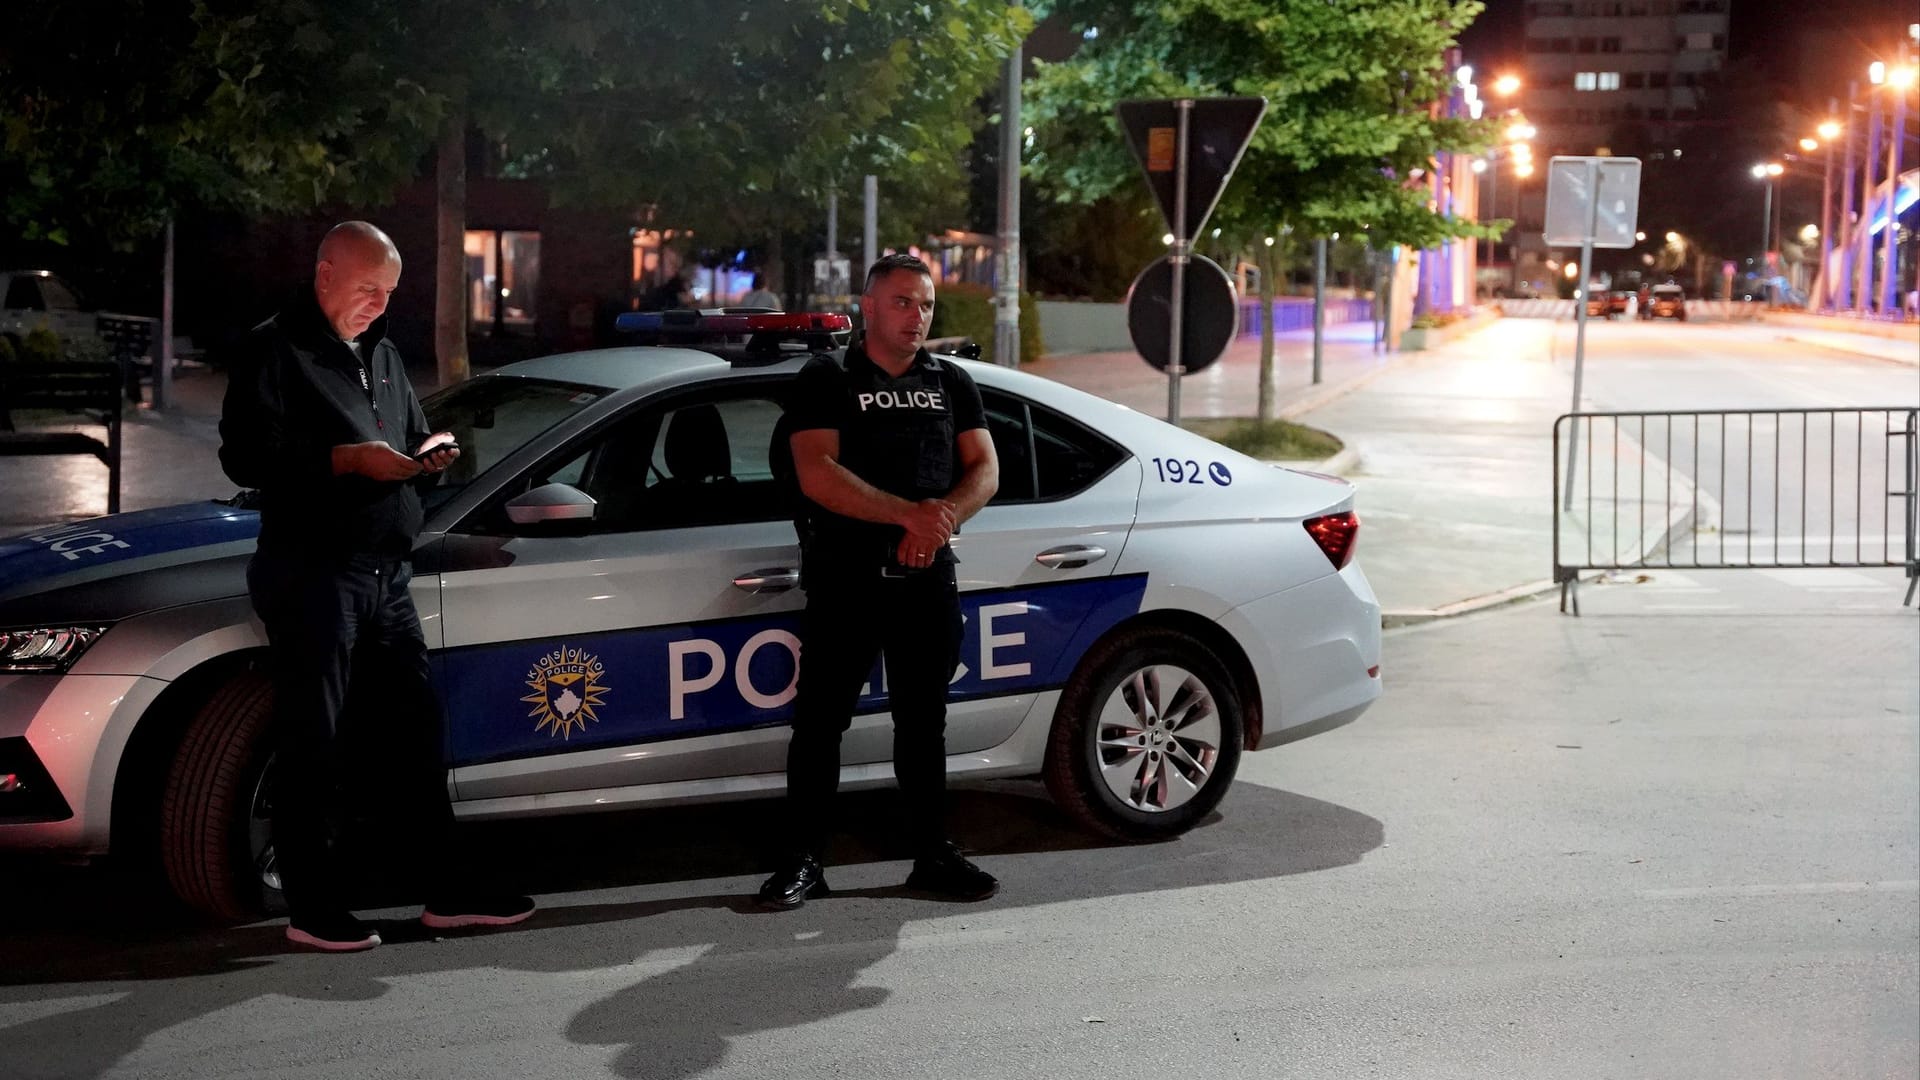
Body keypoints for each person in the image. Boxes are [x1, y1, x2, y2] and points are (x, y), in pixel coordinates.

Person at [219, 221, 534, 951]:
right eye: (367, 289)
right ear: (324, 272)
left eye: (388, 293)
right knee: (314, 742)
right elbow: (245, 457)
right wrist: (342, 461)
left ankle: (445, 894)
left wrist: (431, 453)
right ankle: (312, 908)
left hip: (386, 574)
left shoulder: (384, 352)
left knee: (414, 734)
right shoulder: (276, 348)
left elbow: (413, 430)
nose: (376, 305)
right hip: (314, 571)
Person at [757, 253, 1001, 910]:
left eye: (925, 304)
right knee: (820, 725)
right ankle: (804, 861)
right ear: (867, 306)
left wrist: (941, 519)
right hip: (849, 579)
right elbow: (817, 472)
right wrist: (909, 516)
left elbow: (985, 468)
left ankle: (933, 854)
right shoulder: (827, 376)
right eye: (901, 301)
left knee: (924, 725)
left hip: (927, 580)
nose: (916, 316)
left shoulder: (950, 381)